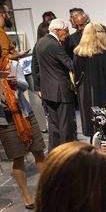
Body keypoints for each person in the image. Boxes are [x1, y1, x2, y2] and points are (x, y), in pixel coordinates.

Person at [0, 31, 47, 209]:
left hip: (24, 113)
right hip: (5, 119)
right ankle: (26, 195)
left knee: (38, 151)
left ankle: (48, 190)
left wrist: (15, 81)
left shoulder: (13, 64)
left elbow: (24, 86)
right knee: (18, 158)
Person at [32, 18, 76, 149]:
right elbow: (70, 65)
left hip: (47, 92)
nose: (67, 34)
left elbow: (34, 65)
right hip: (61, 92)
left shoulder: (39, 42)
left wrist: (38, 87)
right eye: (66, 31)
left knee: (54, 126)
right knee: (65, 126)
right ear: (57, 31)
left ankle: (55, 154)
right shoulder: (55, 45)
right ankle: (68, 154)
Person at [73, 22, 106, 139]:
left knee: (93, 133)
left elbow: (76, 78)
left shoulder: (77, 55)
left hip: (85, 99)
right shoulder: (104, 55)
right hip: (102, 97)